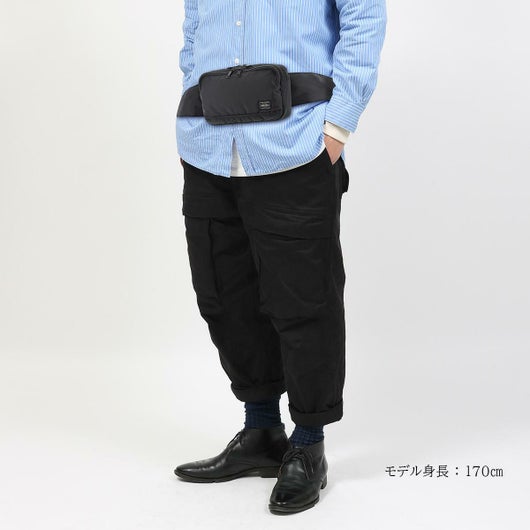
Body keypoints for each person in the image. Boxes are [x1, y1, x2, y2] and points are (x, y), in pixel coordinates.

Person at [174, 0, 387, 515]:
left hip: (295, 140)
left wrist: (337, 127)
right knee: (223, 295)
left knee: (304, 300)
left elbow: (364, 16)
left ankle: (308, 443)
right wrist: (190, 102)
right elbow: (194, 27)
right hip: (208, 145)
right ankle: (262, 431)